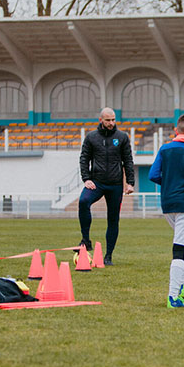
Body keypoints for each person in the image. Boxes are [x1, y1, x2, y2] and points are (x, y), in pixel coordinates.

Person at [149, 114, 184, 308]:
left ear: (176, 130)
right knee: (179, 249)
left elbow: (153, 174)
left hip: (167, 204)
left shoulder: (165, 149)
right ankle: (173, 296)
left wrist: (169, 184)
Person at [78, 107, 135, 265]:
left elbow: (128, 160)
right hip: (97, 182)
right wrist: (86, 179)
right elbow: (84, 159)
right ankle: (85, 239)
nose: (111, 123)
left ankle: (108, 255)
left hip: (115, 185)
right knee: (83, 202)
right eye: (108, 120)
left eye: (113, 120)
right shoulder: (91, 137)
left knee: (113, 220)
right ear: (101, 120)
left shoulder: (122, 137)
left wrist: (130, 182)